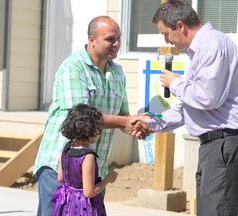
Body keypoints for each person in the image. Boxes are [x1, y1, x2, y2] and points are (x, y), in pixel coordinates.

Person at [132, 0, 238, 215]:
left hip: (224, 142)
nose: (167, 41)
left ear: (180, 26)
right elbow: (188, 106)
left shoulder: (212, 45)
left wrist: (175, 83)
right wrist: (151, 124)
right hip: (216, 144)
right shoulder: (202, 49)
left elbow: (207, 98)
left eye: (166, 34)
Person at [33, 15, 151, 216]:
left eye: (119, 39)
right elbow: (81, 116)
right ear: (91, 39)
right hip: (61, 169)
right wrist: (125, 121)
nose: (116, 44)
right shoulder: (73, 67)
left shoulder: (117, 73)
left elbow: (122, 115)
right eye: (110, 39)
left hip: (95, 169)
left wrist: (134, 126)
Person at [51, 103, 117, 216]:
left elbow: (61, 178)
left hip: (68, 203)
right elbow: (89, 192)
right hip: (84, 207)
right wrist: (108, 179)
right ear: (91, 129)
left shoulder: (66, 148)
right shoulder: (88, 156)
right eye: (99, 128)